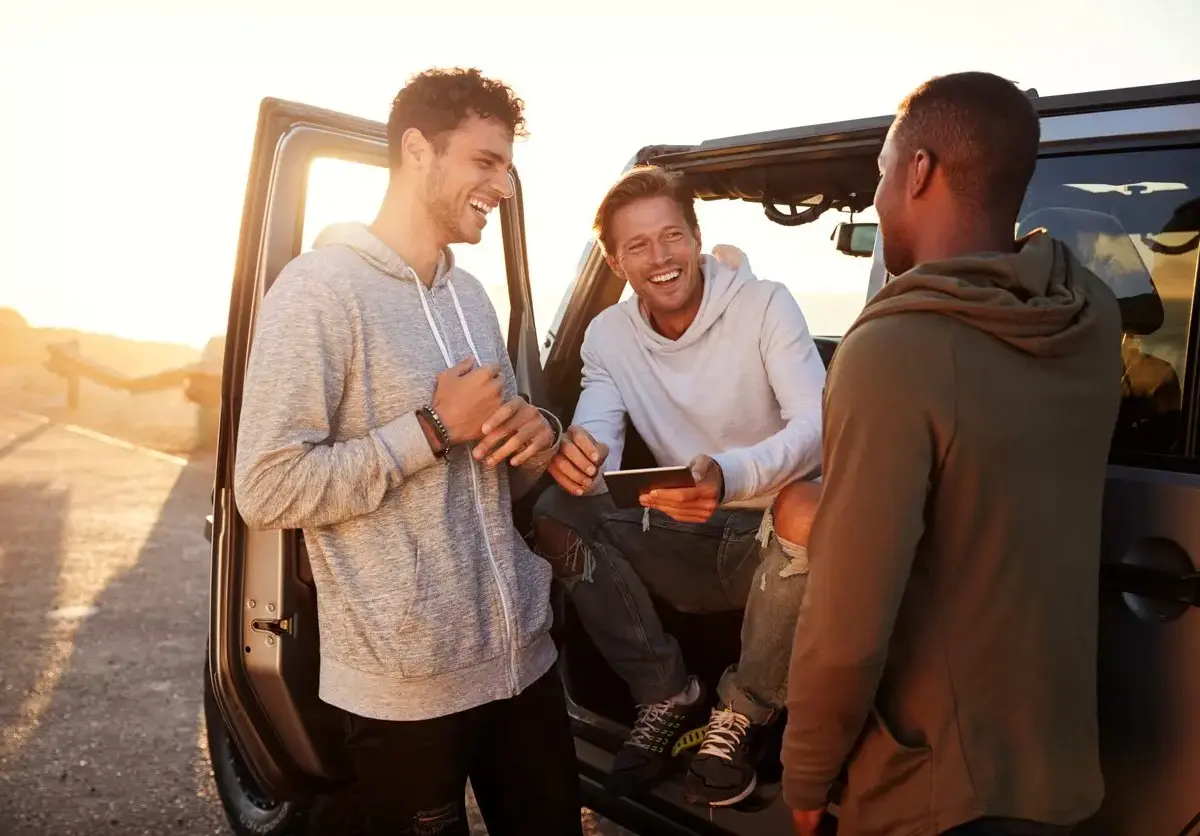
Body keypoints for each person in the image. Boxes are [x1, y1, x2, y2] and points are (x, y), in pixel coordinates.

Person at [233, 67, 583, 836]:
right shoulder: (320, 291)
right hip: (405, 688)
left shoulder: (473, 298)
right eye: (486, 162)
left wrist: (539, 434)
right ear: (418, 151)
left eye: (509, 165)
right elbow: (265, 486)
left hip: (522, 661)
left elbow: (502, 456)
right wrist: (427, 430)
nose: (506, 187)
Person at [781, 71, 1122, 836]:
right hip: (1058, 767)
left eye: (878, 175)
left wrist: (806, 772)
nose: (875, 199)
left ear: (920, 170)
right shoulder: (1089, 315)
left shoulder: (897, 351)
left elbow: (848, 619)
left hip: (935, 787)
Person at [533, 165, 827, 808]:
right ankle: (666, 692)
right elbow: (598, 424)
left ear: (696, 238)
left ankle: (742, 714)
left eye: (671, 236)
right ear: (615, 260)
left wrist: (728, 477)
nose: (659, 258)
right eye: (637, 245)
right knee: (557, 510)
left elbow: (817, 424)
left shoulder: (765, 303)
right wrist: (578, 452)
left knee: (809, 511)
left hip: (774, 540)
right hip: (679, 528)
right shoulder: (610, 334)